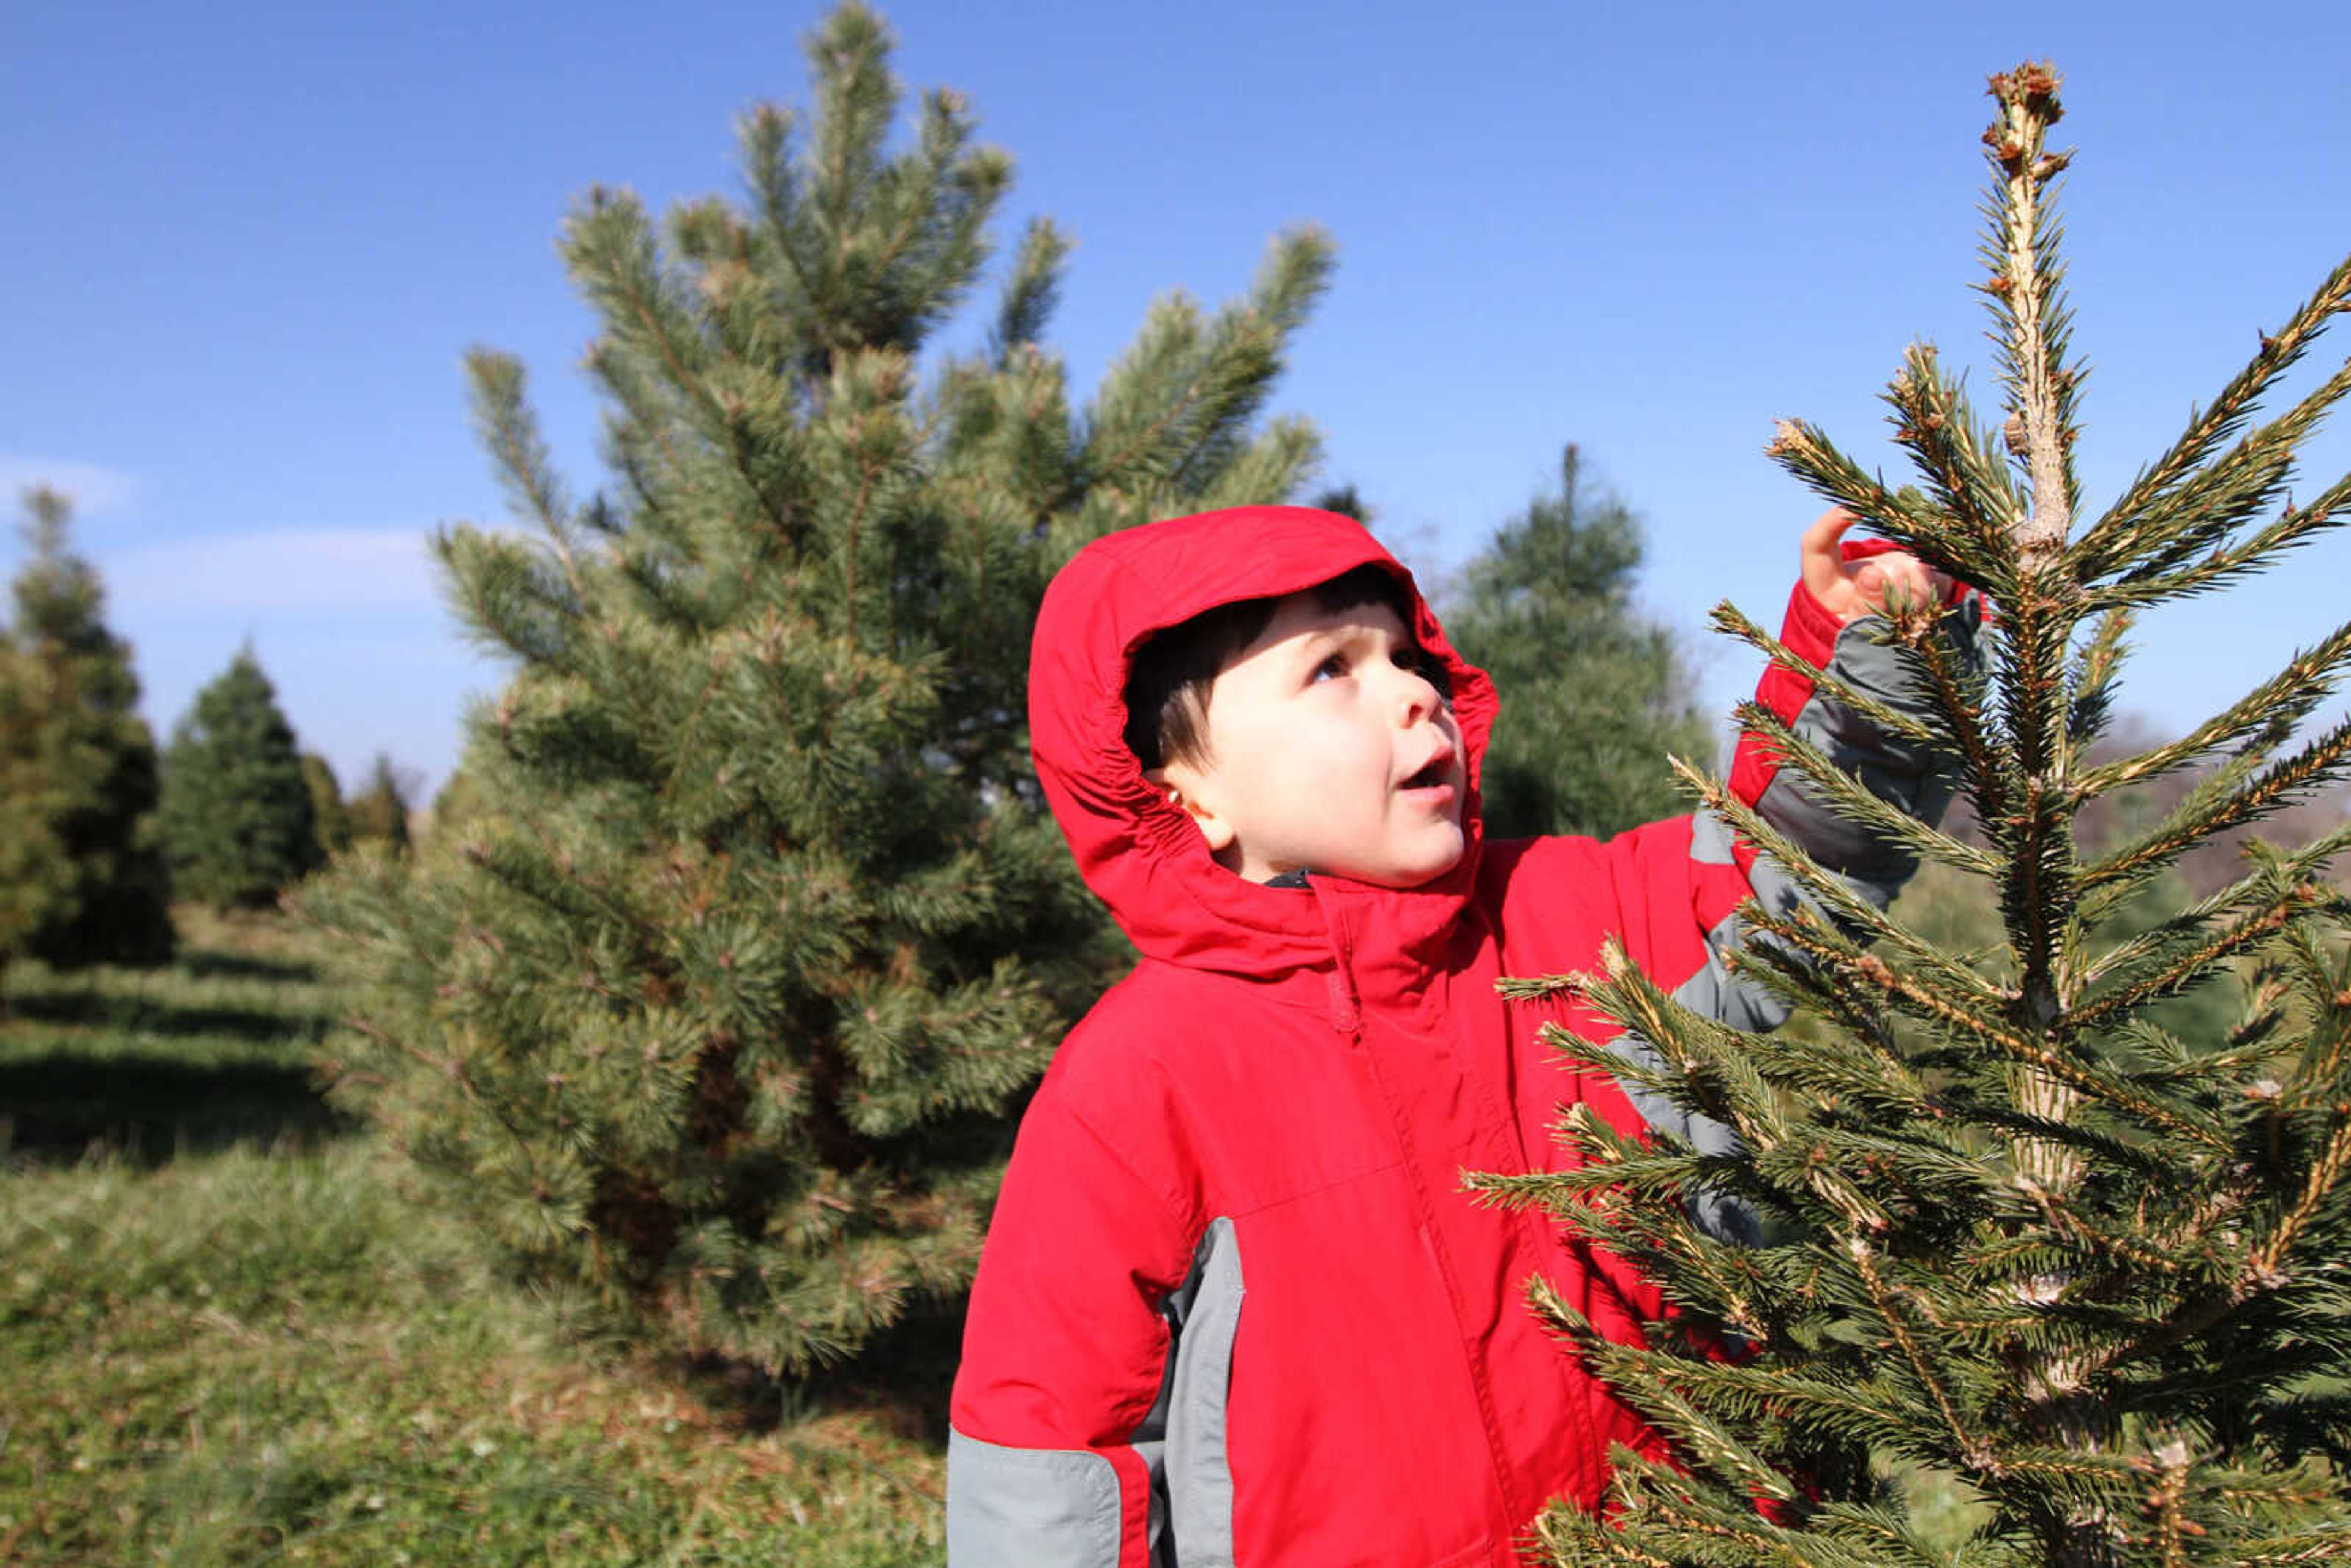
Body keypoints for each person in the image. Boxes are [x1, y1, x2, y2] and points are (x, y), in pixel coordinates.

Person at [946, 503, 1979, 1566]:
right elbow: (1047, 1440)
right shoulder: (1143, 1073)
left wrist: (1879, 658)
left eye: (1404, 655)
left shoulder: (1587, 915)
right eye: (1331, 669)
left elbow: (1792, 853)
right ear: (1190, 791)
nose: (1410, 691)